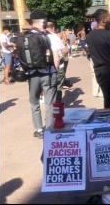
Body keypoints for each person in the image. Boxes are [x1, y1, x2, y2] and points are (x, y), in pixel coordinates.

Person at [25, 9, 60, 138]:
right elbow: (56, 58)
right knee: (49, 103)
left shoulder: (25, 36)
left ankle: (38, 129)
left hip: (32, 74)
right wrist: (55, 73)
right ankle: (50, 129)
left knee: (34, 102)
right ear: (44, 21)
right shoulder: (50, 36)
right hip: (48, 73)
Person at [86, 9, 110, 108]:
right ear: (103, 20)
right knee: (109, 99)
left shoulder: (89, 36)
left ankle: (109, 112)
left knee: (108, 96)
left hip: (98, 70)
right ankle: (109, 117)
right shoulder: (109, 35)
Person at [46, 22, 70, 100]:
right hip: (58, 65)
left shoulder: (41, 36)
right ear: (53, 28)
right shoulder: (55, 37)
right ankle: (58, 105)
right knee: (58, 86)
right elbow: (64, 51)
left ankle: (50, 104)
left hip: (45, 66)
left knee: (48, 86)